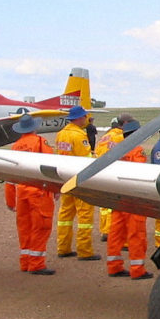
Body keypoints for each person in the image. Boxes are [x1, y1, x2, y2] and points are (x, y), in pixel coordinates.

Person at [3, 114, 57, 275]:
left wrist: (10, 199)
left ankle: (25, 261)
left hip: (22, 193)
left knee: (24, 228)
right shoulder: (40, 142)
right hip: (39, 191)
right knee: (41, 227)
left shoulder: (16, 146)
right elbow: (51, 167)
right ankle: (37, 263)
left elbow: (9, 174)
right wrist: (56, 188)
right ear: (33, 127)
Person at [106, 120, 153, 280]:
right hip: (134, 199)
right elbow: (140, 173)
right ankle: (137, 269)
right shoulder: (137, 151)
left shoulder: (117, 150)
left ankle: (114, 266)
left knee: (116, 233)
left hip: (118, 196)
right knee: (136, 234)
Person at [55, 105, 100, 261]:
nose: (86, 119)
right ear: (79, 118)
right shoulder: (79, 135)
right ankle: (85, 250)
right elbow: (86, 159)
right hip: (79, 179)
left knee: (65, 215)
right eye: (84, 116)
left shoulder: (61, 134)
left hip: (64, 178)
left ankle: (63, 247)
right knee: (85, 216)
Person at [93, 114, 135, 241]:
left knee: (104, 204)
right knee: (115, 204)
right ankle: (113, 231)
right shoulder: (121, 137)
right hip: (115, 171)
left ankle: (105, 230)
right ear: (125, 123)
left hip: (100, 171)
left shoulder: (104, 137)